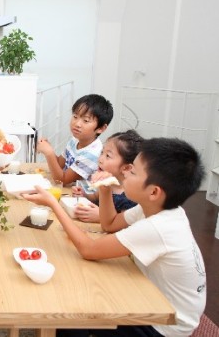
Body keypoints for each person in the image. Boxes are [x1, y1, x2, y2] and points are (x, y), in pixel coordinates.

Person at [23, 137, 207, 337]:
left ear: (154, 192)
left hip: (162, 325)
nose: (125, 172)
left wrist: (54, 204)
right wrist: (105, 190)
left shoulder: (158, 227)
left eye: (133, 171)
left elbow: (89, 250)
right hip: (153, 299)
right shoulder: (154, 208)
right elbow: (109, 223)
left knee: (71, 316)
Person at [36, 94, 113, 185]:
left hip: (82, 196)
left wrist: (49, 153)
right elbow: (60, 165)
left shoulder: (92, 154)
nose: (77, 124)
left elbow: (62, 180)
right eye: (75, 117)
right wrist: (48, 148)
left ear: (101, 128)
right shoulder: (75, 140)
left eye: (86, 120)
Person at [71, 129, 143, 223]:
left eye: (108, 156)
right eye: (102, 153)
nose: (100, 159)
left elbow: (125, 224)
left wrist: (100, 217)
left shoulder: (129, 196)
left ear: (126, 168)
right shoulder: (107, 182)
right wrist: (84, 194)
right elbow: (96, 197)